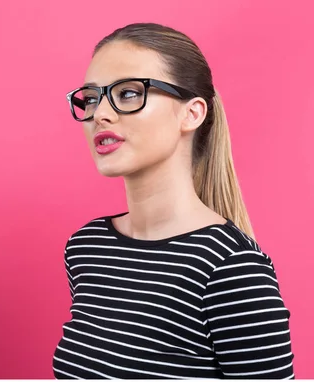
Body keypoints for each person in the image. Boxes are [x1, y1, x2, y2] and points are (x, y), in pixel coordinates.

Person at [52, 23, 294, 379]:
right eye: (91, 98)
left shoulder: (230, 268)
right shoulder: (87, 248)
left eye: (129, 93)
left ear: (192, 113)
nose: (99, 114)